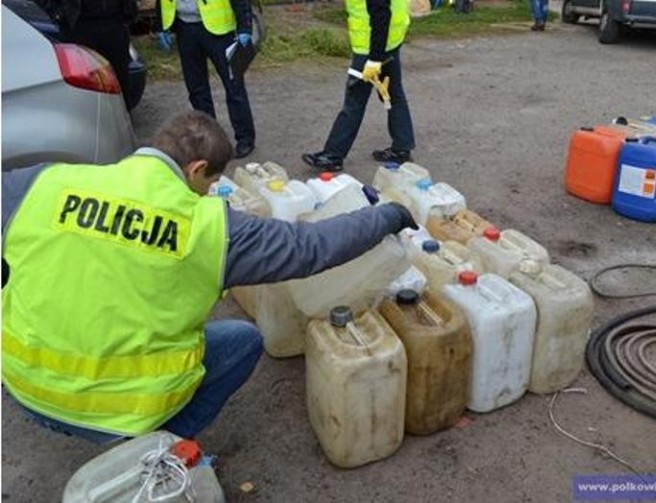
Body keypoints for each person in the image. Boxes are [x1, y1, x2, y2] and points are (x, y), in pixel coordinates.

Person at [1, 111, 417, 444]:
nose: (210, 192)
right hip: (118, 411)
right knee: (243, 340)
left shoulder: (45, 181)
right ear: (196, 168)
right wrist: (387, 215)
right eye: (212, 182)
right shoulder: (208, 227)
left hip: (24, 388)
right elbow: (310, 247)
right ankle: (152, 452)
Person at [301, 0, 415, 172]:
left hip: (371, 46)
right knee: (393, 94)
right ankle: (402, 148)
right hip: (391, 38)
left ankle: (333, 155)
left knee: (354, 102)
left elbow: (380, 14)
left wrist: (375, 59)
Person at [156, 0, 256, 159]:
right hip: (185, 28)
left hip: (220, 31)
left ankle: (245, 139)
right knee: (196, 89)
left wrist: (245, 26)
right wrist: (160, 24)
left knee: (234, 86)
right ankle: (208, 140)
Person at [35, 0, 137, 108]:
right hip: (79, 25)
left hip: (114, 23)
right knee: (82, 88)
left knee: (120, 83)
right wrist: (57, 13)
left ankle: (121, 121)